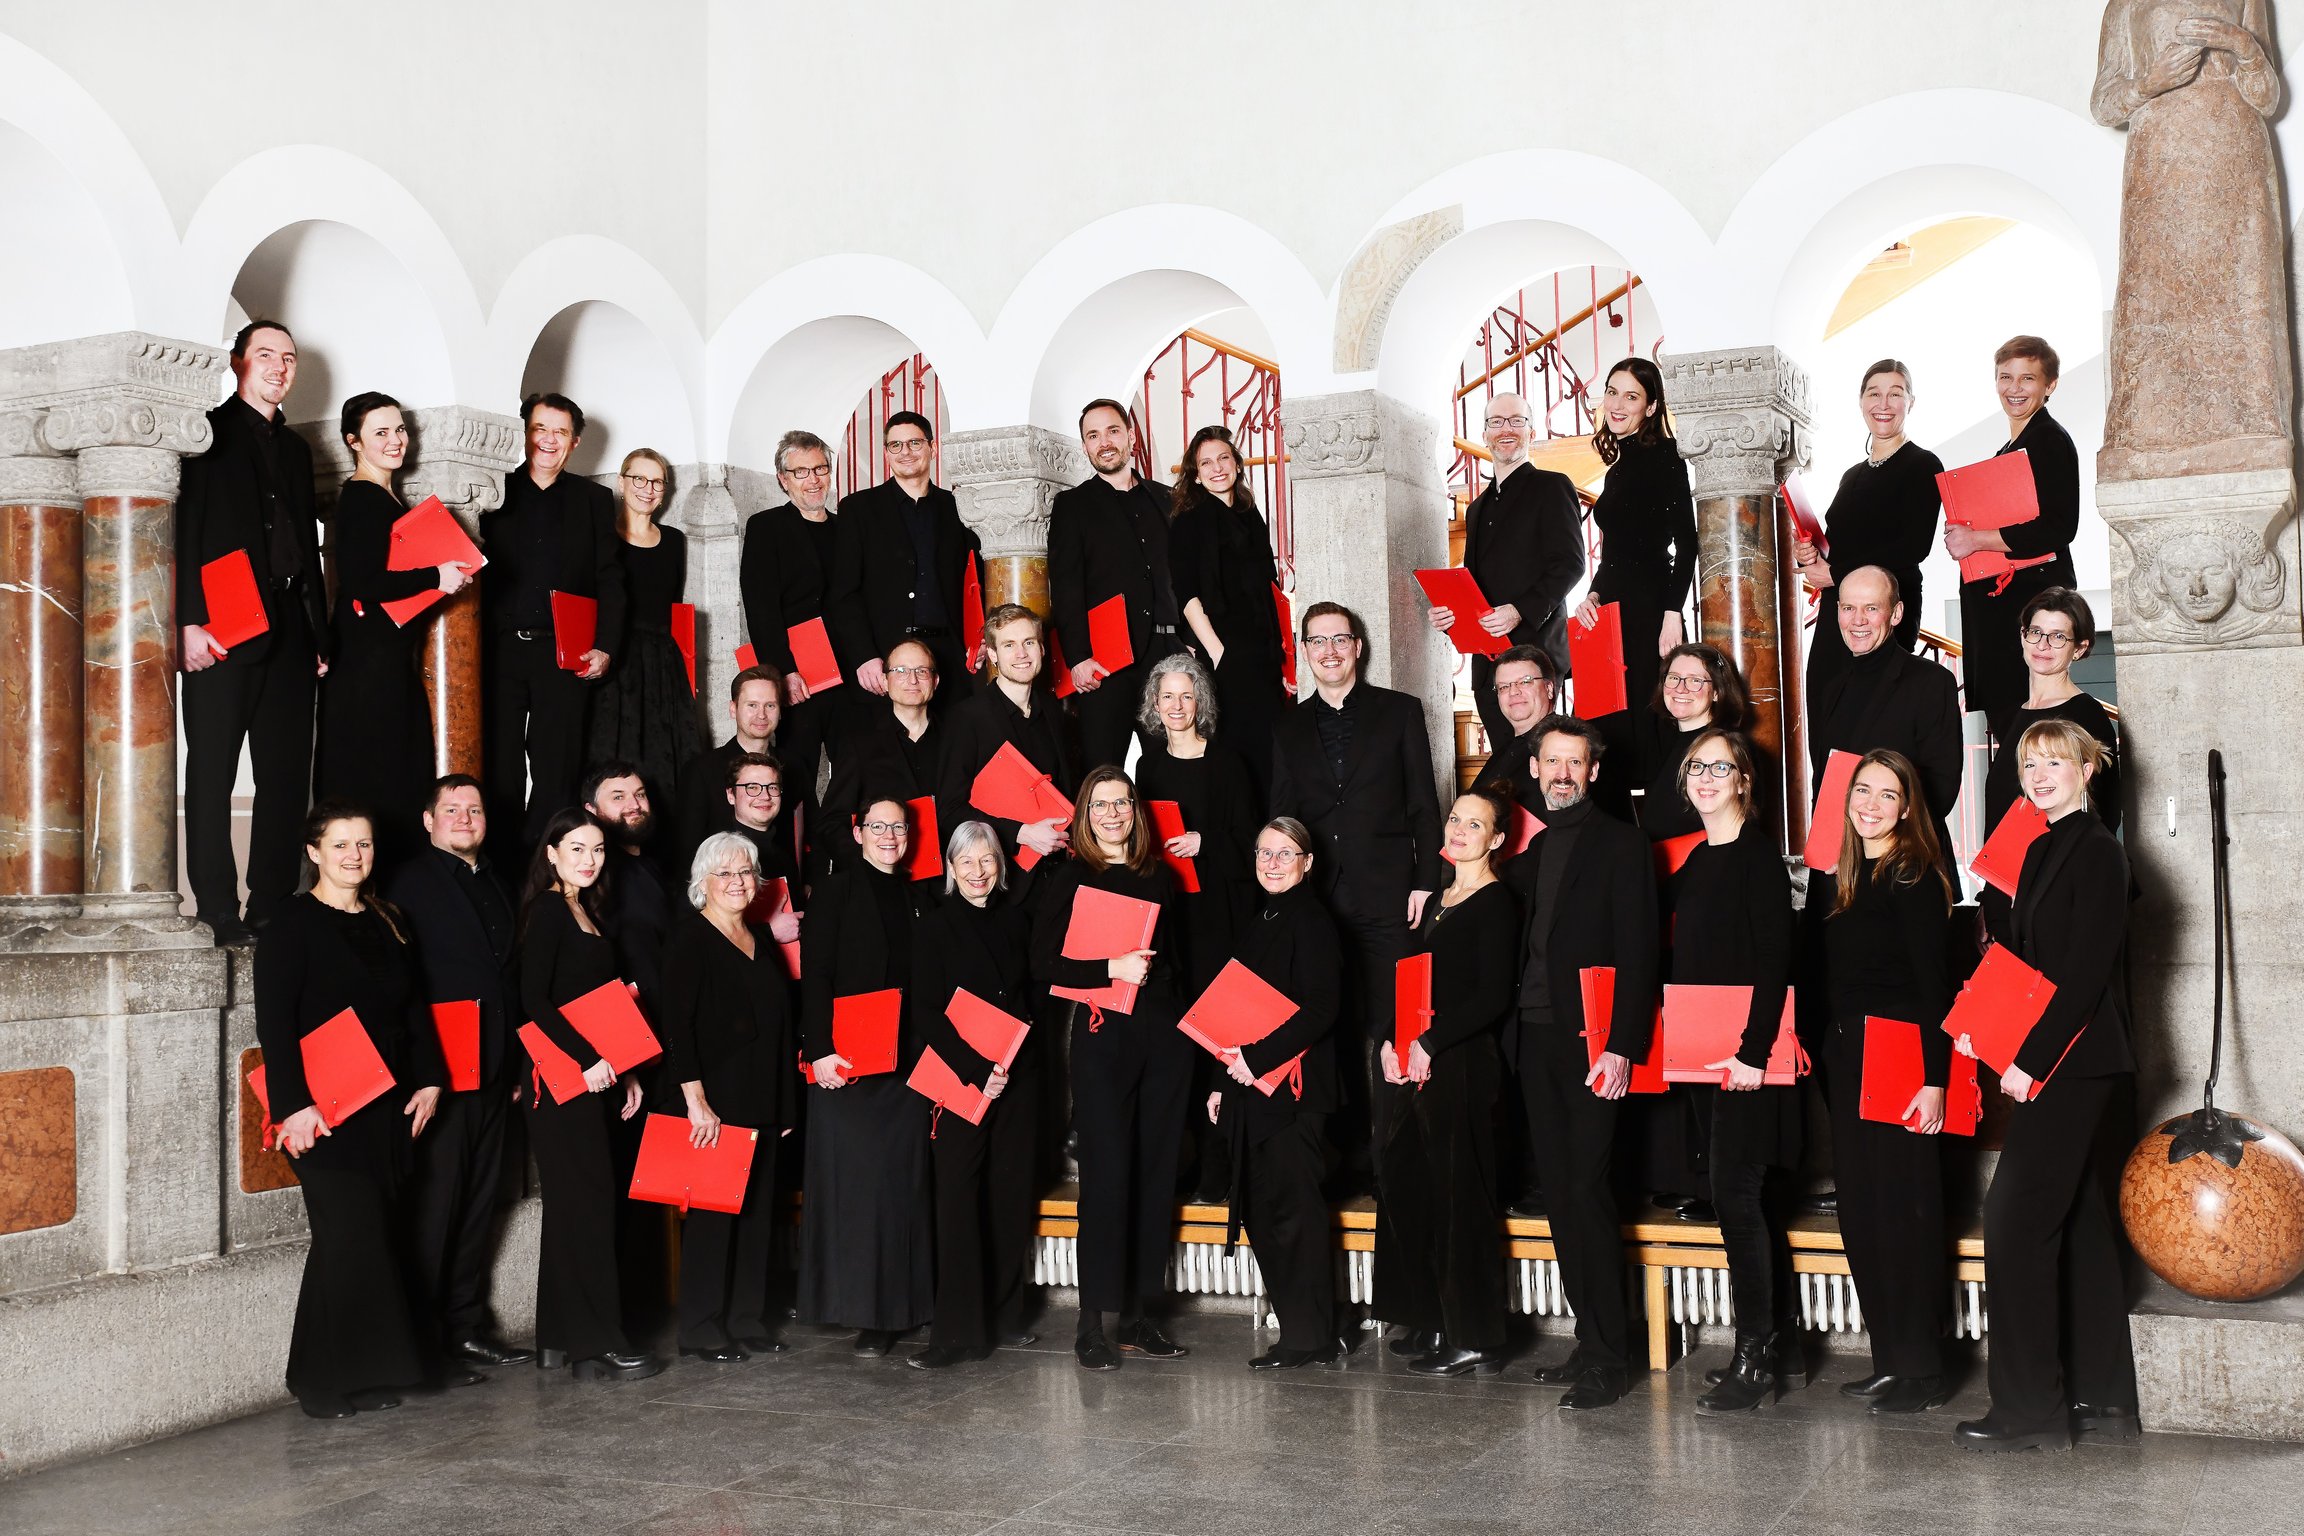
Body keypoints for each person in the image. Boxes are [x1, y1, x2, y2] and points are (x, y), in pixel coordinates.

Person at [1956, 719, 2139, 1452]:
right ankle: (2103, 1393)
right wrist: (1983, 1027)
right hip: (2053, 1052)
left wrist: (2028, 1058)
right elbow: (2021, 968)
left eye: (2055, 762)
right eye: (2029, 763)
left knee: (2013, 1220)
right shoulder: (2037, 850)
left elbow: (2085, 975)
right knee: (2083, 1220)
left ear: (2087, 770)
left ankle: (2030, 1409)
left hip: (2078, 1059)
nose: (2038, 774)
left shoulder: (2099, 852)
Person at [257, 801, 455, 1417]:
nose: (354, 856)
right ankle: (318, 1382)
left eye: (363, 844)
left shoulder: (386, 918)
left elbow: (414, 1007)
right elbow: (276, 1025)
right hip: (324, 1108)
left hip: (387, 1102)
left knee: (366, 1240)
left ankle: (353, 1374)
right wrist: (293, 1107)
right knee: (347, 1236)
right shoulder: (290, 922)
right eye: (339, 845)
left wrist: (430, 1081)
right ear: (313, 852)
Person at [1503, 714, 1659, 1409]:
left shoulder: (1622, 846)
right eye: (1551, 762)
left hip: (1592, 1044)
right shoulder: (1524, 854)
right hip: (1532, 1041)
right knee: (1561, 1195)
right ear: (1535, 770)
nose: (1562, 773)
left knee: (1588, 1192)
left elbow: (1640, 954)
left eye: (1575, 763)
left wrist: (1622, 1046)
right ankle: (1588, 1339)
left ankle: (1609, 1355)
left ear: (1593, 772)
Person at [1269, 601, 1444, 1174]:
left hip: (1389, 899)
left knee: (1392, 1029)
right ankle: (1339, 1162)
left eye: (1340, 639)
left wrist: (1425, 882)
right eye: (1317, 642)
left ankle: (1393, 1161)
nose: (1330, 651)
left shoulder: (1399, 712)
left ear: (1358, 646)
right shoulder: (1287, 726)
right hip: (1319, 904)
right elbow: (1283, 817)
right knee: (1329, 1029)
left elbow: (1424, 807)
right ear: (1305, 652)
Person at [1034, 766, 1192, 1370]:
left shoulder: (1160, 877)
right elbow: (1042, 965)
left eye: (1122, 802)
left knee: (1155, 1176)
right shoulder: (1070, 876)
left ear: (1135, 811)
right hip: (1104, 1038)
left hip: (1164, 1040)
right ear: (1083, 812)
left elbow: (1178, 963)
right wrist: (1109, 971)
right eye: (1100, 803)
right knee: (1105, 1178)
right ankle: (1090, 1322)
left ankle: (1138, 1318)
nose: (1113, 812)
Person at [178, 320, 329, 946]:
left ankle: (269, 905)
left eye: (288, 358)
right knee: (212, 772)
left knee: (287, 777)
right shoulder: (205, 433)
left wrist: (320, 637)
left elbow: (305, 545)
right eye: (265, 355)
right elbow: (182, 532)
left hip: (292, 629)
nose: (279, 366)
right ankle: (216, 908)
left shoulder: (296, 451)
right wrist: (187, 620)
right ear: (239, 363)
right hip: (223, 626)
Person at [1821, 750, 1958, 1417]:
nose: (1870, 804)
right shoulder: (1845, 875)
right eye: (1861, 790)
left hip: (1905, 1059)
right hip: (1850, 1059)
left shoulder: (1913, 875)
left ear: (1907, 808)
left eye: (1886, 794)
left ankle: (1923, 1367)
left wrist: (1937, 1082)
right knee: (1863, 1214)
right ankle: (1890, 1360)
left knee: (1905, 1213)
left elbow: (1937, 988)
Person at [1668, 730, 1801, 1415]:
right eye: (1698, 767)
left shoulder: (1756, 859)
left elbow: (1773, 961)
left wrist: (1752, 1053)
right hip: (1702, 1058)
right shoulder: (1693, 864)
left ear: (1744, 780)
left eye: (1722, 766)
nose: (1708, 777)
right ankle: (1783, 1344)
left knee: (1737, 1201)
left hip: (1745, 1061)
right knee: (1740, 1201)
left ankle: (1755, 1357)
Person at [382, 775, 530, 1371]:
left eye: (474, 808)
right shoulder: (406, 883)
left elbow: (511, 980)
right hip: (439, 1072)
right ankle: (423, 1341)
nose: (465, 818)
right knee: (435, 1207)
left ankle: (466, 1325)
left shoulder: (499, 880)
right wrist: (423, 1071)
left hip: (495, 1068)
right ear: (428, 820)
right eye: (452, 809)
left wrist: (518, 1062)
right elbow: (403, 987)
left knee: (478, 1203)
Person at [1377, 789, 1520, 1378]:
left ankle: (1477, 1333)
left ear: (1498, 840)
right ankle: (1431, 1318)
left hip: (1460, 1063)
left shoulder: (1498, 903)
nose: (1460, 830)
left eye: (1475, 824)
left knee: (1462, 1197)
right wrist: (1390, 1040)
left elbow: (1491, 996)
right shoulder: (1436, 899)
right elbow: (1409, 981)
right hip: (1415, 1061)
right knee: (1408, 1182)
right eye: (1455, 819)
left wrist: (1429, 1045)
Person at [516, 808, 661, 1382]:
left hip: (593, 1078)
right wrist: (590, 1060)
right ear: (551, 853)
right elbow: (536, 1001)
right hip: (564, 1083)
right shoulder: (549, 909)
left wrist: (624, 1068)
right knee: (590, 1210)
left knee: (575, 1211)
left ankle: (556, 1337)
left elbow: (599, 1004)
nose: (589, 859)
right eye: (576, 849)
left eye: (597, 849)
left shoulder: (585, 908)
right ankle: (597, 1344)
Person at [798, 797, 936, 1354]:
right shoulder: (835, 890)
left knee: (902, 1191)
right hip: (849, 1065)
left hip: (905, 1066)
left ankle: (905, 1309)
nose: (888, 836)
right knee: (857, 1193)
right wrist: (820, 1051)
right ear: (858, 833)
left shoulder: (918, 897)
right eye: (877, 826)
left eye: (897, 827)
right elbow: (816, 975)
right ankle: (864, 1312)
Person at [658, 831, 799, 1362]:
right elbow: (678, 1029)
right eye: (727, 874)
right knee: (716, 1217)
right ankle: (701, 1326)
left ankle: (745, 1319)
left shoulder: (761, 938)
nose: (738, 882)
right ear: (704, 883)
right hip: (714, 1101)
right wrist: (695, 1100)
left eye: (746, 873)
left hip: (763, 1099)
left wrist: (784, 1105)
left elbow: (781, 1026)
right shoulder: (689, 940)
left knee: (758, 1214)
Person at [315, 393, 474, 864]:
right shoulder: (361, 499)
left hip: (384, 659)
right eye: (381, 432)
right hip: (366, 665)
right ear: (354, 442)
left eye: (399, 429)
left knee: (399, 774)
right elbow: (363, 580)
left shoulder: (389, 499)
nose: (395, 440)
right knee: (377, 779)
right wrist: (437, 577)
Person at [1210, 817, 1345, 1369]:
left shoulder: (1313, 921)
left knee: (1295, 1215)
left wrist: (1254, 1061)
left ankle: (1312, 1337)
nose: (1271, 862)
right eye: (1264, 852)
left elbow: (1321, 1009)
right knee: (1265, 1214)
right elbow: (1234, 1007)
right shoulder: (1259, 918)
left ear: (1307, 862)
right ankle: (1299, 1332)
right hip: (1250, 1085)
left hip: (1294, 1091)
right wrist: (1224, 1080)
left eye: (1284, 854)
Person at [907, 820, 1042, 1368]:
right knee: (958, 1200)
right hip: (961, 1080)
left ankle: (1005, 1318)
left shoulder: (1017, 920)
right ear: (950, 868)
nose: (979, 871)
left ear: (1000, 865)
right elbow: (926, 1014)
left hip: (1017, 1078)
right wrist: (975, 1068)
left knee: (1009, 1197)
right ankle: (955, 1333)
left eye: (987, 860)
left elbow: (1030, 1000)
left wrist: (1008, 1066)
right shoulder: (933, 928)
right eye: (967, 861)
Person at [1132, 651, 1260, 1201]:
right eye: (1168, 697)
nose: (1178, 706)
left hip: (1216, 917)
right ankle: (1179, 1163)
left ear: (1200, 702)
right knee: (1173, 1037)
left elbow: (1255, 842)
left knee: (1218, 1035)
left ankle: (1220, 1166)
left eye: (1187, 696)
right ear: (1154, 707)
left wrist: (1206, 843)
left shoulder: (1228, 761)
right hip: (1168, 918)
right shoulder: (1148, 765)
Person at [481, 393, 626, 846]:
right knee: (499, 766)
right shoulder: (492, 490)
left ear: (575, 442)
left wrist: (605, 645)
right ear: (524, 433)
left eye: (560, 432)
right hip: (499, 651)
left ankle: (545, 871)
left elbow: (611, 580)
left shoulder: (595, 500)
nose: (548, 439)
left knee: (557, 768)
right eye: (540, 428)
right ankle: (501, 874)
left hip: (564, 653)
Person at [1435, 391, 1584, 746]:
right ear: (1485, 434)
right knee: (1506, 765)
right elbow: (1472, 584)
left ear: (1531, 432)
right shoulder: (1477, 508)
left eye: (1517, 421)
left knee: (1538, 760)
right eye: (1497, 422)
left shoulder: (1552, 486)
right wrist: (1450, 614)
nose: (1507, 429)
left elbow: (1571, 565)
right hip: (1487, 666)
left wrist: (1520, 611)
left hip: (1537, 654)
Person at [1945, 337, 2081, 721]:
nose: (2014, 389)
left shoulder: (2049, 439)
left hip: (2028, 605)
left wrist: (1975, 539)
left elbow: (2059, 526)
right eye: (2006, 377)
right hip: (2006, 609)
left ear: (2049, 385)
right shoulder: (2013, 447)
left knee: (2028, 733)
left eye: (2027, 379)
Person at [1792, 360, 1945, 690]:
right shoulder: (1852, 475)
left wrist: (1833, 573)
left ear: (1911, 402)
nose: (1884, 404)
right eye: (1874, 394)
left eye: (1895, 393)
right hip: (1839, 606)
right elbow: (1835, 544)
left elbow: (1913, 546)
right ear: (1861, 401)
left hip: (1886, 605)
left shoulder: (1924, 465)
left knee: (1876, 709)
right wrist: (1808, 552)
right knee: (1825, 697)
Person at [1579, 359, 1696, 775]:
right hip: (1609, 607)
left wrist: (1672, 614)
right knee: (1602, 730)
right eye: (1612, 392)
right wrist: (1592, 593)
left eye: (1632, 396)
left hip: (1649, 607)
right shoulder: (1618, 466)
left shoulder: (1667, 456)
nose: (1618, 404)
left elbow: (1687, 544)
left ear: (1650, 407)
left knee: (1648, 727)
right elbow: (1614, 553)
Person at [1048, 399, 1178, 772]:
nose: (1104, 442)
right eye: (1093, 435)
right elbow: (1066, 584)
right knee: (1102, 768)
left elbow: (1184, 578)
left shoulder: (1167, 499)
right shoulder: (1072, 505)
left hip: (1167, 653)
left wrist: (1189, 643)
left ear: (1130, 436)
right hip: (1105, 661)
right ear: (1085, 446)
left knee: (1169, 764)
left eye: (1112, 431)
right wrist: (1078, 657)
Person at [1806, 566, 1964, 861]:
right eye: (1849, 608)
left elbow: (1941, 786)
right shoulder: (1831, 686)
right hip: (1837, 858)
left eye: (1872, 608)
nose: (1858, 620)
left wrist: (1877, 847)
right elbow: (1824, 782)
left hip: (1903, 862)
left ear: (1896, 613)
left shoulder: (1931, 681)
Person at [828, 410, 982, 712]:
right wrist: (864, 656)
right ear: (886, 453)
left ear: (932, 448)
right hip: (884, 658)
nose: (905, 452)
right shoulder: (858, 509)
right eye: (895, 445)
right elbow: (843, 594)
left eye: (914, 443)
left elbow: (978, 581)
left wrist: (980, 641)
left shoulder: (958, 508)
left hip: (949, 657)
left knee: (951, 750)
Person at [1168, 423, 1291, 794]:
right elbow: (1186, 594)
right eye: (1206, 463)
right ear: (1196, 473)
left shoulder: (1250, 514)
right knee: (1235, 751)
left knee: (1271, 751)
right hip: (1225, 651)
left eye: (1223, 458)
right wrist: (1217, 652)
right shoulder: (1188, 519)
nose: (1216, 468)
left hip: (1263, 650)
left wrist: (1284, 656)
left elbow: (1271, 590)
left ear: (1237, 465)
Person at [585, 449, 703, 801]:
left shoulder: (674, 542)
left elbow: (672, 606)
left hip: (661, 664)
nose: (648, 489)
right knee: (611, 754)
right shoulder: (602, 538)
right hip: (614, 657)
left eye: (657, 482)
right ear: (622, 482)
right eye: (639, 478)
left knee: (664, 759)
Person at [937, 604, 1074, 894]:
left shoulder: (1052, 710)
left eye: (1029, 643)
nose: (1021, 654)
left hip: (1059, 875)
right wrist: (1023, 834)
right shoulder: (967, 718)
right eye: (1009, 645)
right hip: (1002, 884)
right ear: (994, 655)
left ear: (1042, 649)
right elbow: (949, 810)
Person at [739, 429, 845, 798]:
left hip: (847, 674)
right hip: (799, 676)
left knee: (852, 776)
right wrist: (784, 670)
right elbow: (760, 606)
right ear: (783, 479)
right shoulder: (766, 527)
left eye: (820, 469)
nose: (813, 480)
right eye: (801, 472)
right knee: (795, 780)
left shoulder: (846, 528)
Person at [817, 638, 944, 875]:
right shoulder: (859, 743)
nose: (912, 679)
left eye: (921, 671)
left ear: (935, 681)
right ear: (884, 681)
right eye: (900, 671)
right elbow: (832, 823)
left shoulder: (957, 738)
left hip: (948, 885)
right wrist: (868, 869)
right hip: (880, 886)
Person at [670, 664, 784, 871]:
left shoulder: (793, 766)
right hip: (725, 892)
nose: (761, 715)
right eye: (752, 705)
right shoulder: (701, 771)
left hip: (785, 889)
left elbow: (810, 833)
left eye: (770, 706)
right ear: (733, 709)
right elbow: (686, 851)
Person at [1635, 642, 1753, 843]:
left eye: (1694, 681)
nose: (1680, 689)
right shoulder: (1662, 741)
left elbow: (1736, 831)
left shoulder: (1725, 745)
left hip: (1699, 868)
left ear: (1716, 692)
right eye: (1673, 678)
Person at [1470, 644, 1561, 811]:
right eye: (1504, 687)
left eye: (1525, 682)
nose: (1513, 692)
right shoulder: (1503, 753)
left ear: (1549, 688)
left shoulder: (1567, 745)